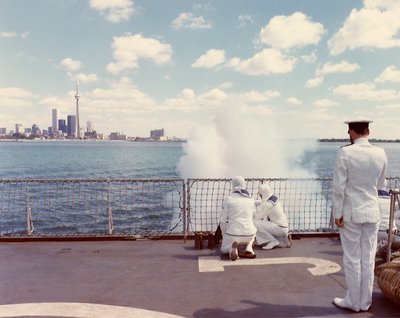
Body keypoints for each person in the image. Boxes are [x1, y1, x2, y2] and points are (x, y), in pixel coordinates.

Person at [332, 119, 387, 312]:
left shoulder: (345, 152)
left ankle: (353, 301)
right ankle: (365, 302)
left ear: (351, 132)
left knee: (352, 258)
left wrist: (337, 213)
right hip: (372, 212)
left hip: (351, 214)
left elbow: (339, 187)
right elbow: (380, 185)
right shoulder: (380, 153)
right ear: (368, 131)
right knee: (368, 257)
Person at [220, 176, 257, 261]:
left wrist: (224, 234)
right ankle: (249, 247)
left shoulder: (228, 199)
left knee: (222, 249)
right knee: (254, 230)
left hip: (233, 234)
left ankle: (231, 249)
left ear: (233, 185)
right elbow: (253, 215)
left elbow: (223, 220)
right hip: (249, 234)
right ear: (243, 184)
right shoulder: (251, 199)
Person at [253, 184, 291, 250]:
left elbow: (257, 217)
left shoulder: (268, 204)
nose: (260, 196)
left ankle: (272, 241)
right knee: (263, 221)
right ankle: (280, 239)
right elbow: (263, 202)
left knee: (254, 222)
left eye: (260, 195)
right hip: (282, 227)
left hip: (280, 229)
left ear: (263, 194)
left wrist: (251, 211)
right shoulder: (274, 198)